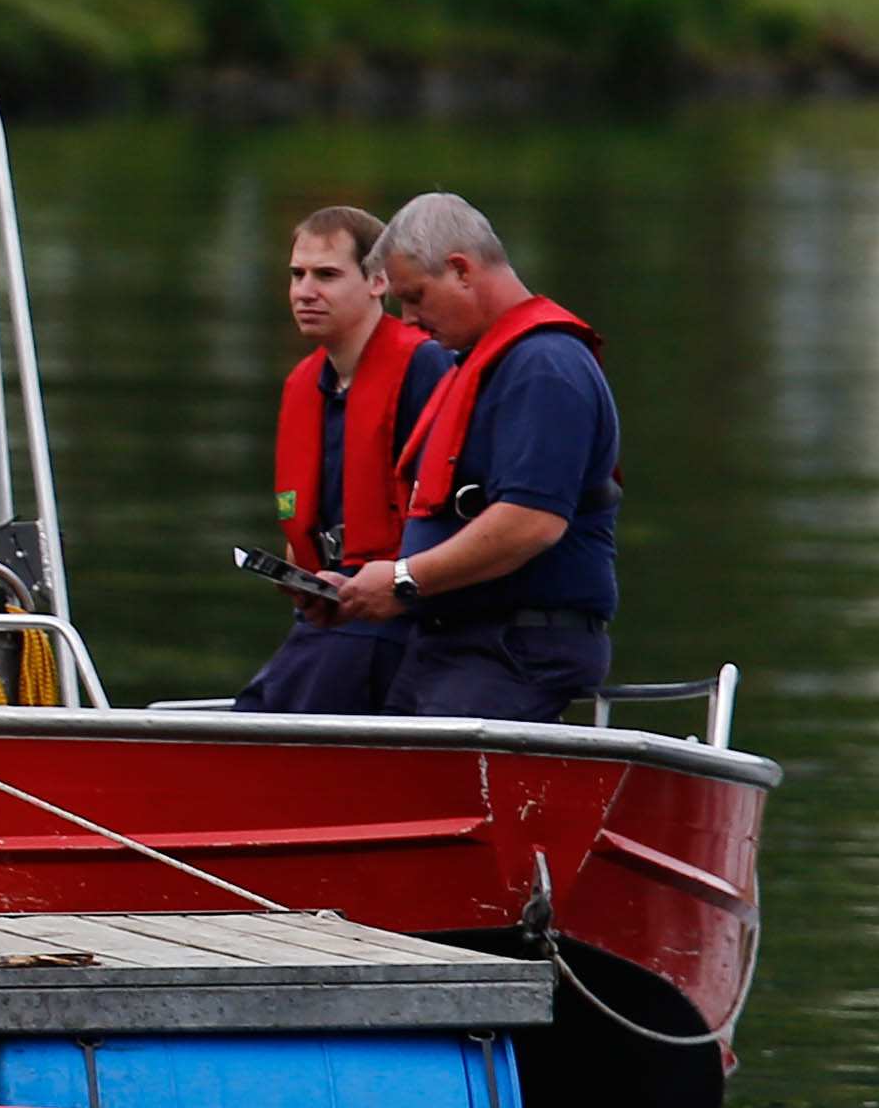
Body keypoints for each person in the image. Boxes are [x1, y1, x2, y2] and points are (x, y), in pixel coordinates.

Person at [329, 195, 619, 720]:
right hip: (452, 645)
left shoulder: (545, 365)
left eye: (414, 297)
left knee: (427, 766)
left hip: (513, 650)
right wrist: (356, 586)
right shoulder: (480, 364)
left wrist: (402, 579)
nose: (408, 320)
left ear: (461, 270)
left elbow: (531, 523)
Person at [235, 205, 456, 716]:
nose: (304, 292)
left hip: (398, 619)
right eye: (297, 275)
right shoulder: (305, 384)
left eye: (327, 275)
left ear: (378, 281)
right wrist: (299, 575)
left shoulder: (423, 365)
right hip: (330, 616)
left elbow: (445, 510)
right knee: (257, 709)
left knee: (269, 719)